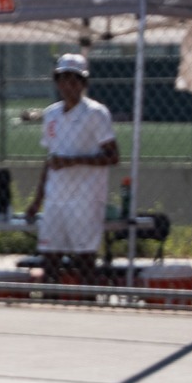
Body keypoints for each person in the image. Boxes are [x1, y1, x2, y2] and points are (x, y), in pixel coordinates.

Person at [24, 53, 119, 285]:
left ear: (83, 83)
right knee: (50, 258)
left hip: (85, 198)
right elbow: (50, 159)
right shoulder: (51, 114)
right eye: (63, 79)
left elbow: (112, 156)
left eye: (75, 80)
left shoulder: (96, 113)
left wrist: (73, 161)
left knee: (85, 258)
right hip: (56, 198)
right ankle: (51, 306)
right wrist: (38, 200)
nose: (68, 85)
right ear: (57, 82)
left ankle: (89, 305)